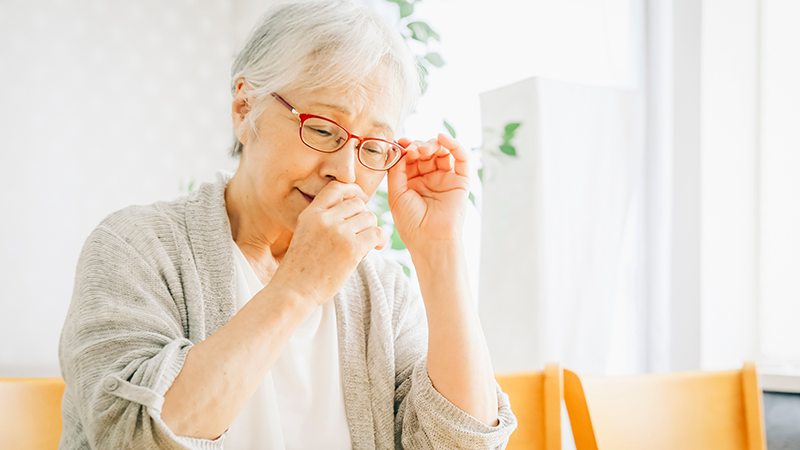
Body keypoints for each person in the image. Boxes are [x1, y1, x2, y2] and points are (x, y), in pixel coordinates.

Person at [58, 1, 516, 448]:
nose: (346, 172)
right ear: (245, 109)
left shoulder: (383, 294)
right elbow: (132, 435)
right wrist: (297, 287)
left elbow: (462, 442)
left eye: (373, 147)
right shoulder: (135, 247)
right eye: (321, 129)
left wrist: (440, 251)